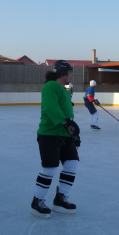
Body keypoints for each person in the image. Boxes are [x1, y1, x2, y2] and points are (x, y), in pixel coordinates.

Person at [31, 60, 81, 219]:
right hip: (50, 134)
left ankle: (60, 199)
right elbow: (52, 108)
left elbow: (67, 112)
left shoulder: (64, 90)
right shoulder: (50, 86)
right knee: (50, 168)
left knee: (72, 164)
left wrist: (73, 133)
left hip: (65, 135)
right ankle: (37, 201)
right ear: (64, 73)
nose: (71, 75)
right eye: (70, 72)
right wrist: (67, 123)